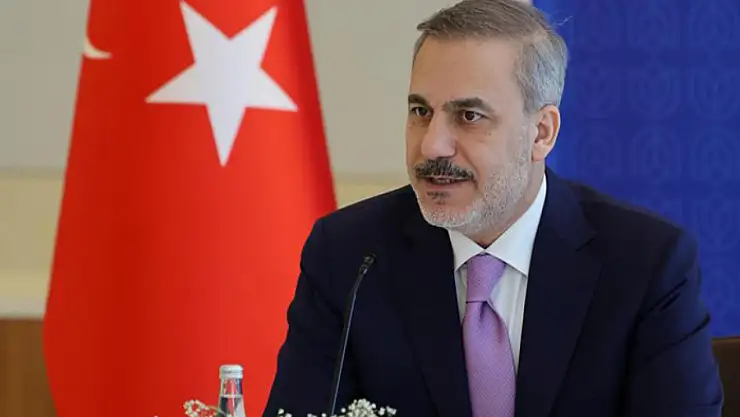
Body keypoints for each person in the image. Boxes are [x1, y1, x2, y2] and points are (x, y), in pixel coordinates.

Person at [263, 0, 724, 416]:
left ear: (541, 133)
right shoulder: (350, 256)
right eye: (421, 111)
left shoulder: (646, 264)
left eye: (469, 116)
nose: (432, 145)